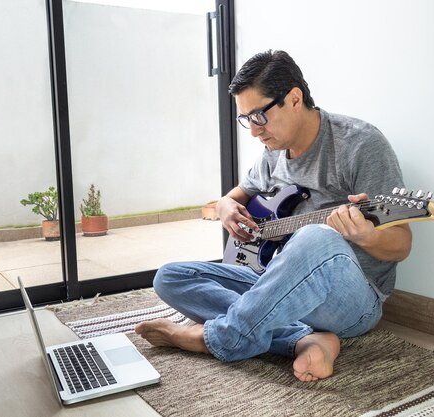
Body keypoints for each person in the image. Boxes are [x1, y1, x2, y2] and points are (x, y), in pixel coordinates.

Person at [135, 50, 412, 382]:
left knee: (317, 237)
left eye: (258, 116)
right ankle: (301, 340)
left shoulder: (361, 144)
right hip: (277, 283)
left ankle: (220, 338)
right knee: (169, 277)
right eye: (246, 119)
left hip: (353, 299)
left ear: (294, 99)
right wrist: (226, 207)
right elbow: (234, 196)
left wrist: (365, 235)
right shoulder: (272, 156)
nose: (253, 131)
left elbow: (401, 244)